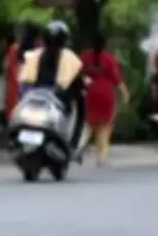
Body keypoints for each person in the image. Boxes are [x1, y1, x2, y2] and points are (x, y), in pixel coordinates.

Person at [17, 20, 86, 158]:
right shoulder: (70, 58)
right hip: (53, 100)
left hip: (35, 98)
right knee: (81, 108)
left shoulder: (34, 55)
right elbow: (77, 83)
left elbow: (24, 81)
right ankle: (73, 143)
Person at [79, 33, 130, 166]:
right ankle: (101, 157)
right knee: (105, 126)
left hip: (90, 93)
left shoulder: (85, 57)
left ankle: (79, 148)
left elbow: (79, 72)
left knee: (89, 124)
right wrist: (125, 94)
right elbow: (117, 79)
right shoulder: (108, 58)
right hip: (106, 94)